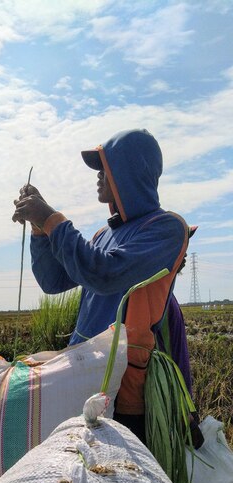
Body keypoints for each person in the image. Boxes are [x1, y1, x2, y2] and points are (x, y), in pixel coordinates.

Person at [13, 128, 194, 444]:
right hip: (84, 376)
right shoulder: (101, 237)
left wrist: (51, 217)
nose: (99, 177)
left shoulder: (166, 229)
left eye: (105, 169)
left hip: (125, 389)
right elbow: (52, 281)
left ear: (130, 173)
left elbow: (104, 273)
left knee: (117, 479)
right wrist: (42, 230)